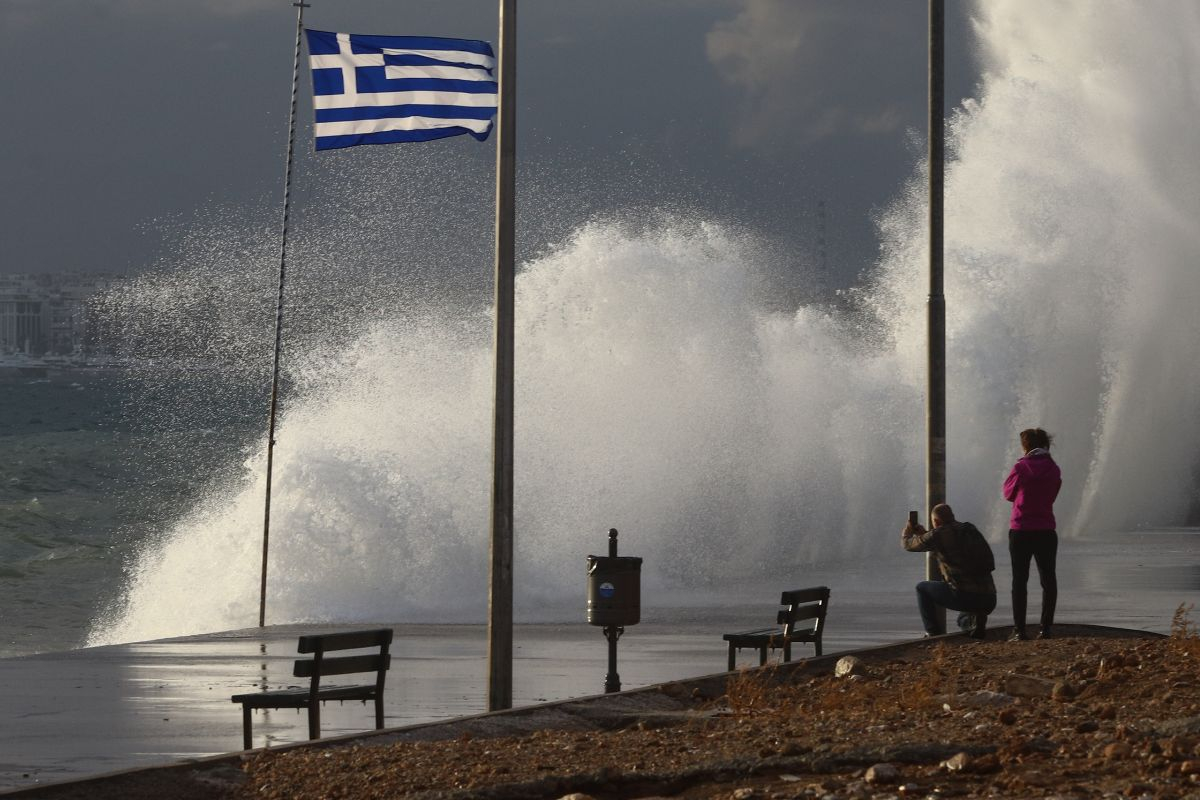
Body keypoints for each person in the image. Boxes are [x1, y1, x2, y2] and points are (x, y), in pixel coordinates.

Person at [901, 503, 997, 639]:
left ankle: (933, 633)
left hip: (964, 596)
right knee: (963, 618)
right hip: (989, 597)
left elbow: (909, 545)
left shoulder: (937, 535)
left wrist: (906, 534)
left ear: (935, 521)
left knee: (921, 588)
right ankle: (975, 624)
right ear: (952, 516)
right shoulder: (970, 529)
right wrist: (925, 534)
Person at [1004, 427, 1062, 640]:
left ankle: (1019, 630)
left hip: (1021, 529)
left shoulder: (1020, 467)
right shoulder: (1054, 468)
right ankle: (1045, 628)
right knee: (1048, 580)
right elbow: (1053, 493)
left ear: (1026, 446)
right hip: (1046, 529)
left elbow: (1008, 494)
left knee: (1019, 580)